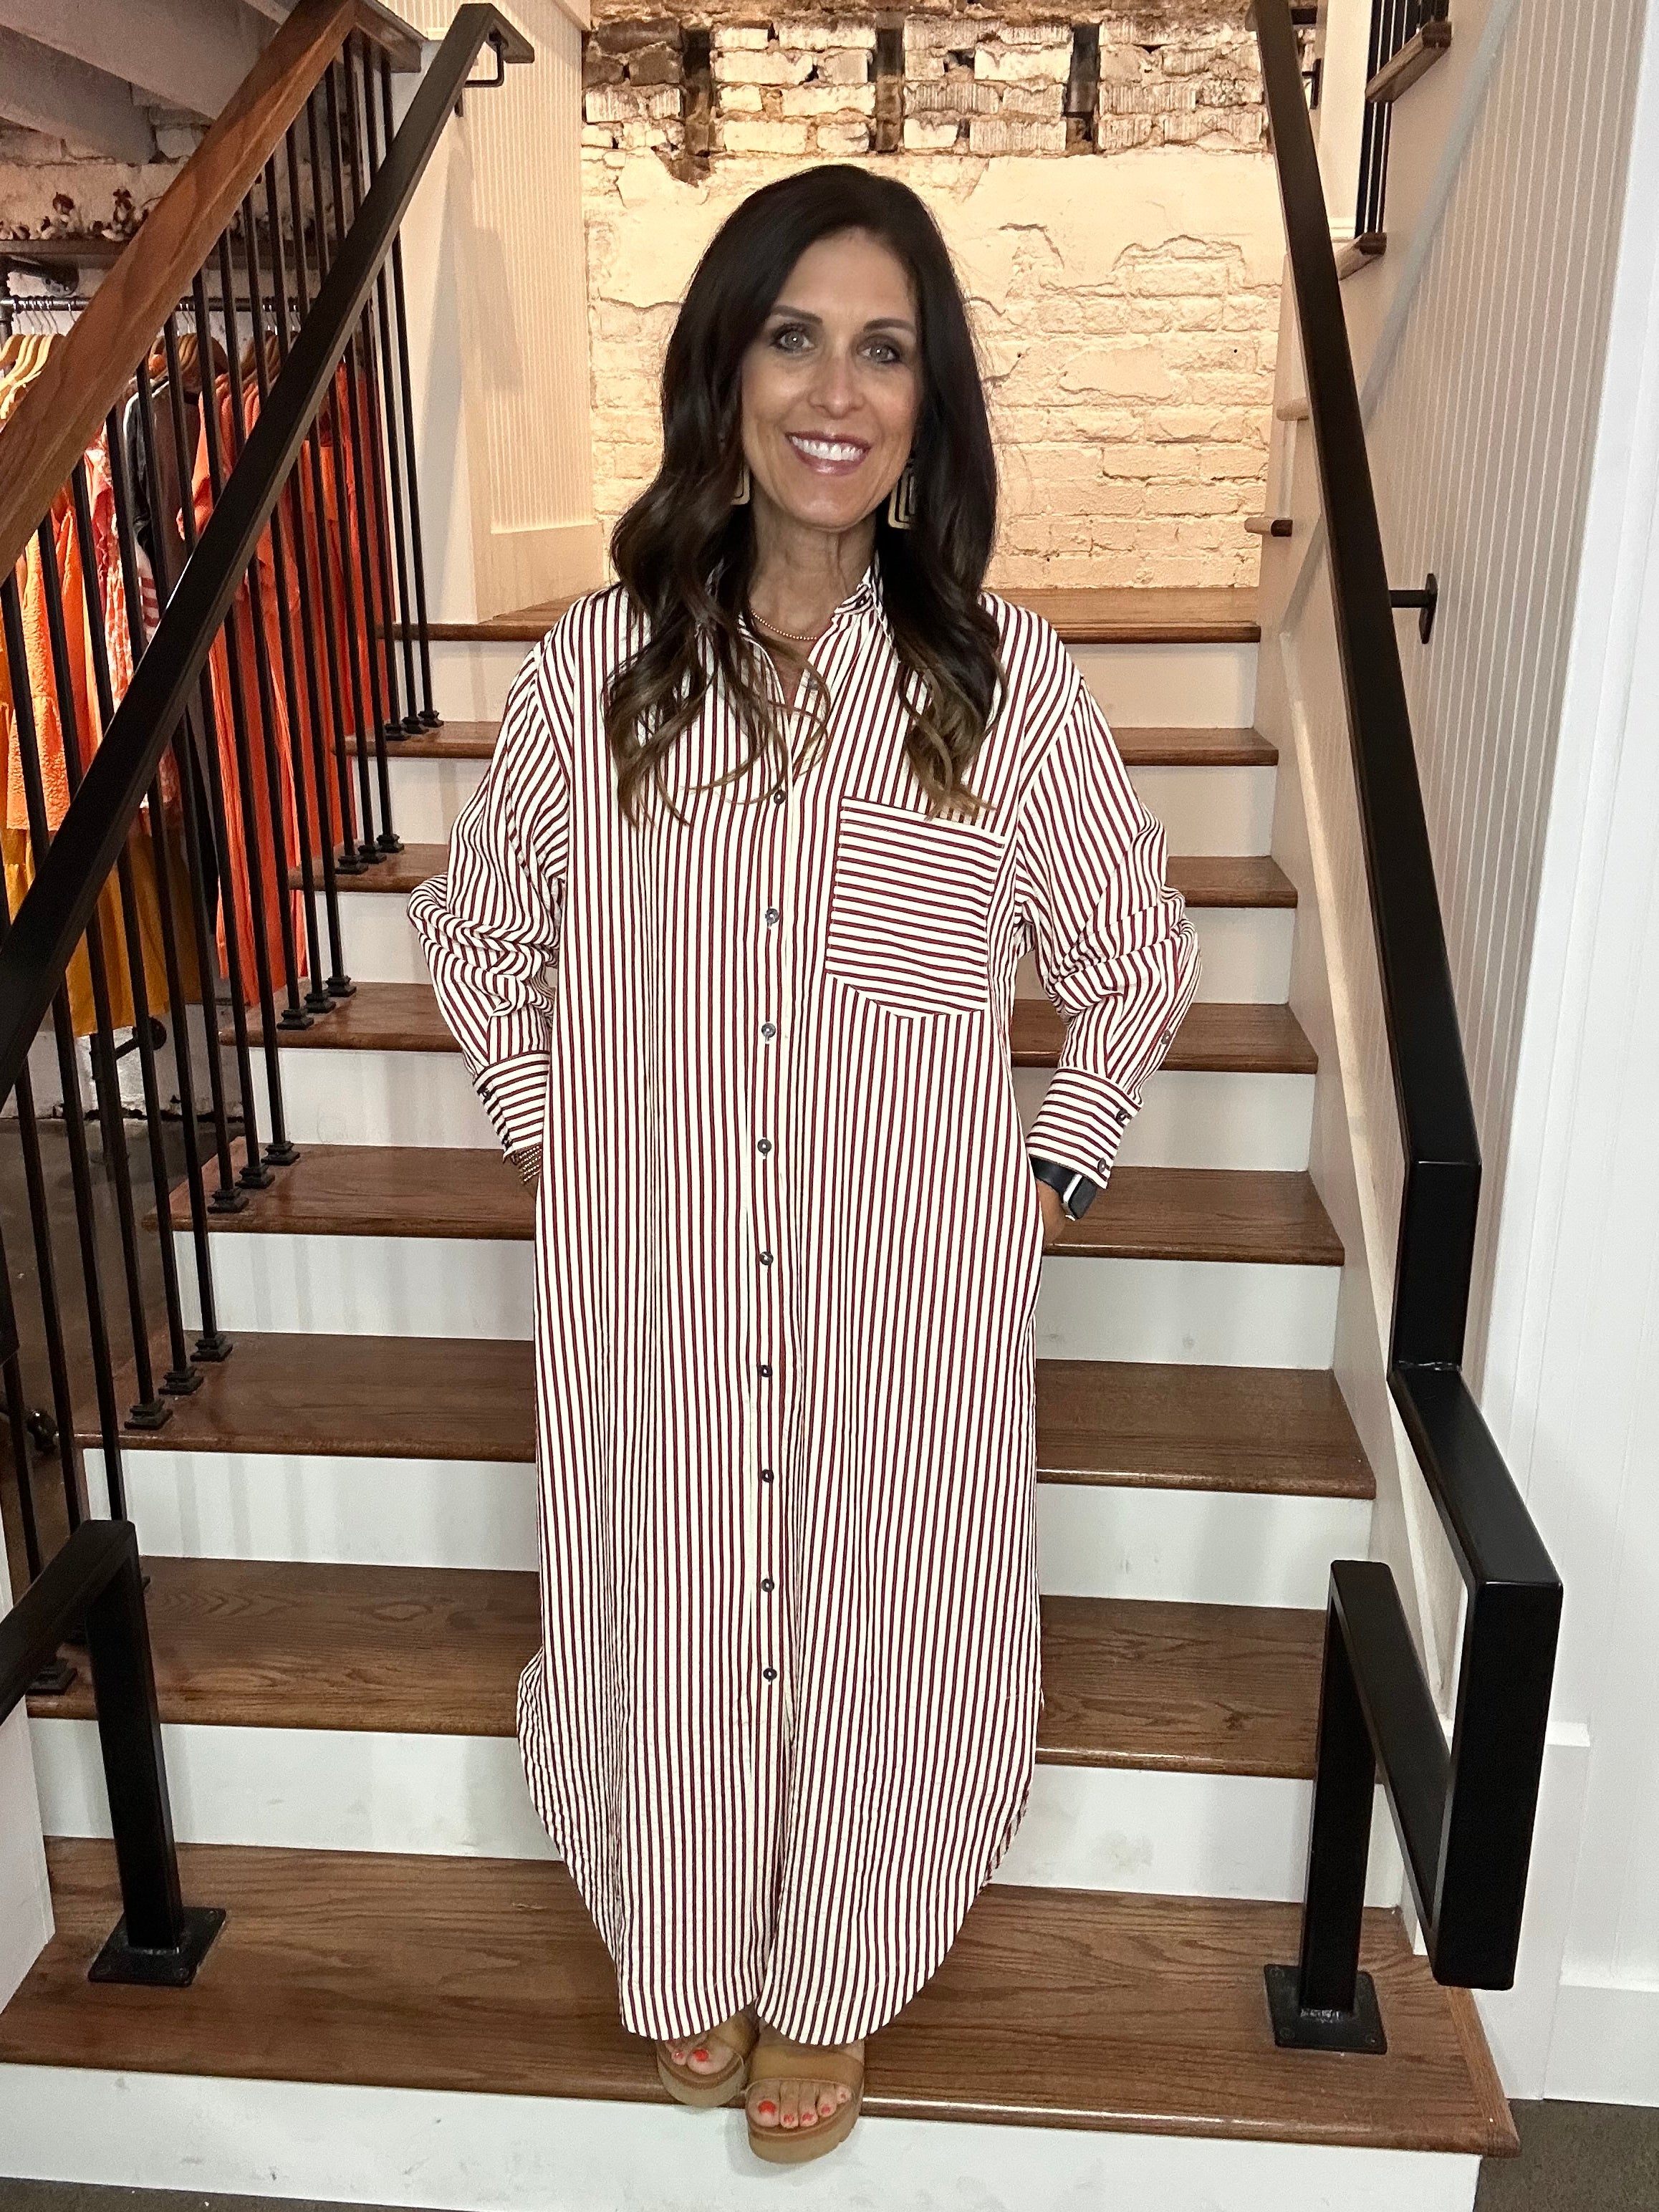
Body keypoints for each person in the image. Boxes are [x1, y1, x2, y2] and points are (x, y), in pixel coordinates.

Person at [410, 163, 1200, 2168]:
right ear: (726, 370)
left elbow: (1133, 955)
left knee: (886, 1624)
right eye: (793, 337)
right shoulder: (600, 672)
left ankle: (834, 1975)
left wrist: (1044, 1185)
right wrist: (566, 1143)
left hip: (905, 1301)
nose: (835, 392)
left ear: (930, 402)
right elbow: (474, 928)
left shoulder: (1001, 688)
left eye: (884, 349)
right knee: (671, 1596)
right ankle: (681, 1932)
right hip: (662, 1288)